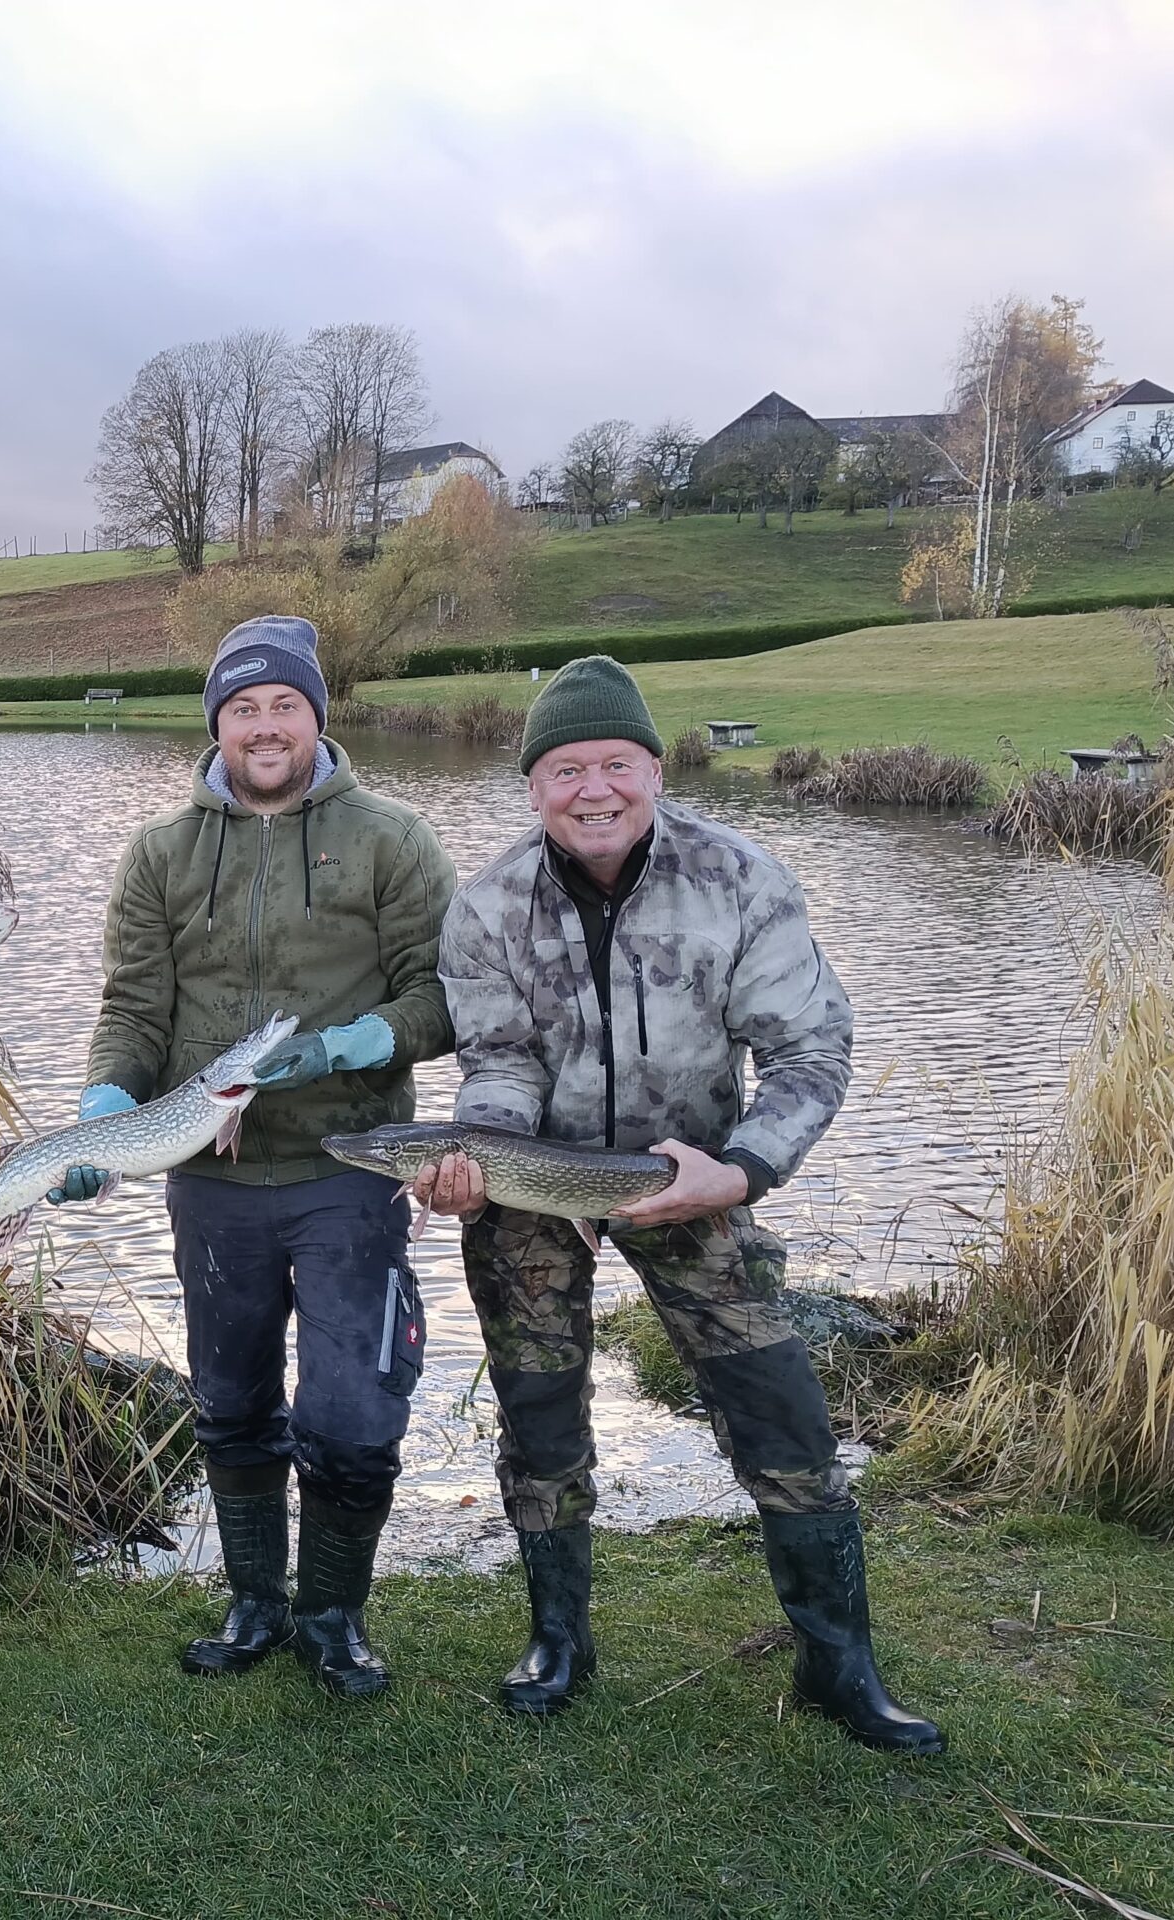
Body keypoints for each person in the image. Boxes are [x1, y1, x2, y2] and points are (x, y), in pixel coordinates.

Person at [420, 655, 942, 1753]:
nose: (593, 788)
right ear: (534, 785)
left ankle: (838, 1665)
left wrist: (741, 1170)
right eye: (567, 768)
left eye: (616, 763)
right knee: (538, 1413)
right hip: (532, 1191)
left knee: (780, 1411)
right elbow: (498, 1059)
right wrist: (478, 1155)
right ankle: (559, 1641)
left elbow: (811, 1052)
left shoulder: (740, 879)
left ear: (655, 771)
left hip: (693, 1178)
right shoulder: (486, 905)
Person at [70, 615, 457, 1697]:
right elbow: (133, 1009)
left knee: (353, 1411)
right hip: (212, 1182)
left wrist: (356, 1042)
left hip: (351, 1171)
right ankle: (254, 1604)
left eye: (285, 703)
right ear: (217, 725)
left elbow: (444, 996)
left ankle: (332, 1616)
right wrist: (105, 1110)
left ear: (317, 715)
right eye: (243, 707)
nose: (265, 725)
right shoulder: (160, 852)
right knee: (231, 1400)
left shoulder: (391, 839)